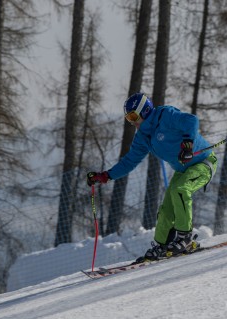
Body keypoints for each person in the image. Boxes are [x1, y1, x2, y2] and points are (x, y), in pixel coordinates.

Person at [87, 92, 217, 262]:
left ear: (145, 111)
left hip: (203, 162)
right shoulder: (142, 138)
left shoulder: (165, 115)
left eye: (133, 116)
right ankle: (162, 245)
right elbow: (130, 161)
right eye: (128, 118)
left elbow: (191, 120)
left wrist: (187, 145)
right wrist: (105, 176)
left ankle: (185, 238)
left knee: (180, 189)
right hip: (183, 170)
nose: (132, 122)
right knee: (166, 209)